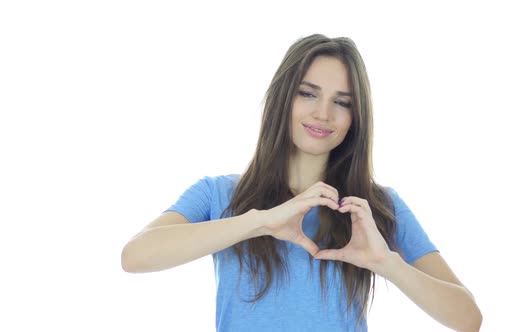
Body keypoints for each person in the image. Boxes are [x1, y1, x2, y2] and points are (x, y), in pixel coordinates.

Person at [121, 34, 482, 332]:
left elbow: (468, 319)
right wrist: (259, 220)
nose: (322, 113)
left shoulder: (373, 208)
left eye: (341, 102)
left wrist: (388, 263)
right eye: (307, 93)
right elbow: (136, 256)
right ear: (283, 98)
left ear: (356, 119)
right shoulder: (218, 194)